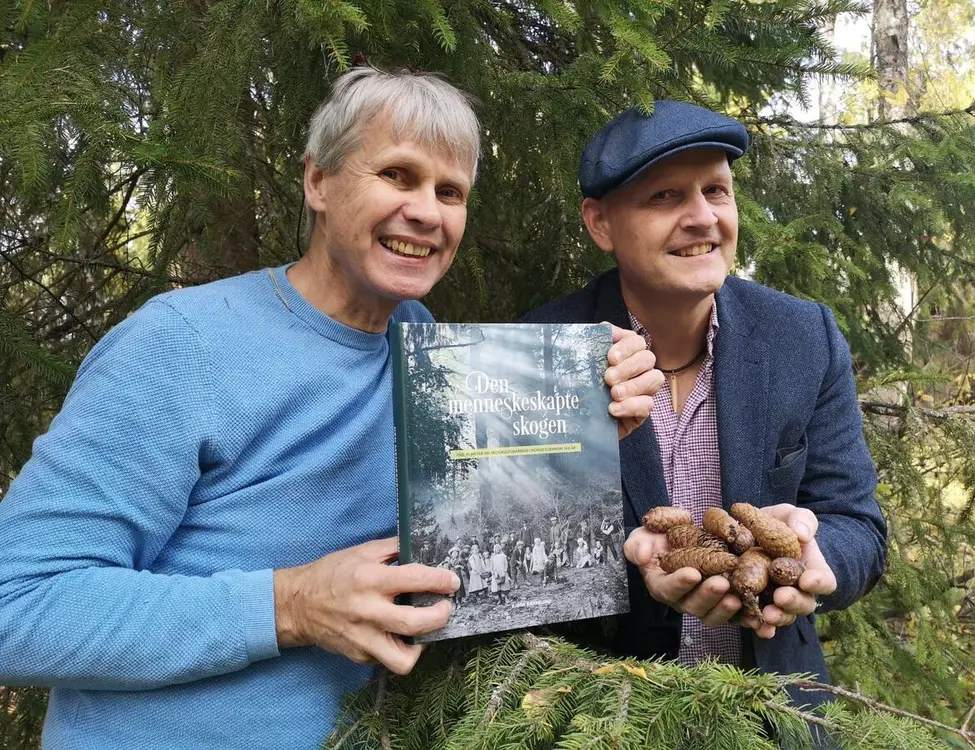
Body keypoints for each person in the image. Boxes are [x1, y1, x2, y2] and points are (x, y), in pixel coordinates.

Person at [0, 67, 662, 749]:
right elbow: (16, 607)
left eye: (449, 191)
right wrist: (288, 606)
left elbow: (462, 563)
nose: (426, 212)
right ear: (318, 182)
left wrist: (572, 436)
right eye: (397, 176)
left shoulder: (420, 340)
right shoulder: (182, 344)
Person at [523, 99, 887, 707]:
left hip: (773, 719)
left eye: (715, 191)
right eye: (665, 197)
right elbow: (513, 554)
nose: (702, 219)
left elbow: (859, 525)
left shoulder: (803, 339)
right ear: (600, 223)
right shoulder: (540, 351)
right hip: (602, 717)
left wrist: (820, 559)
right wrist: (627, 566)